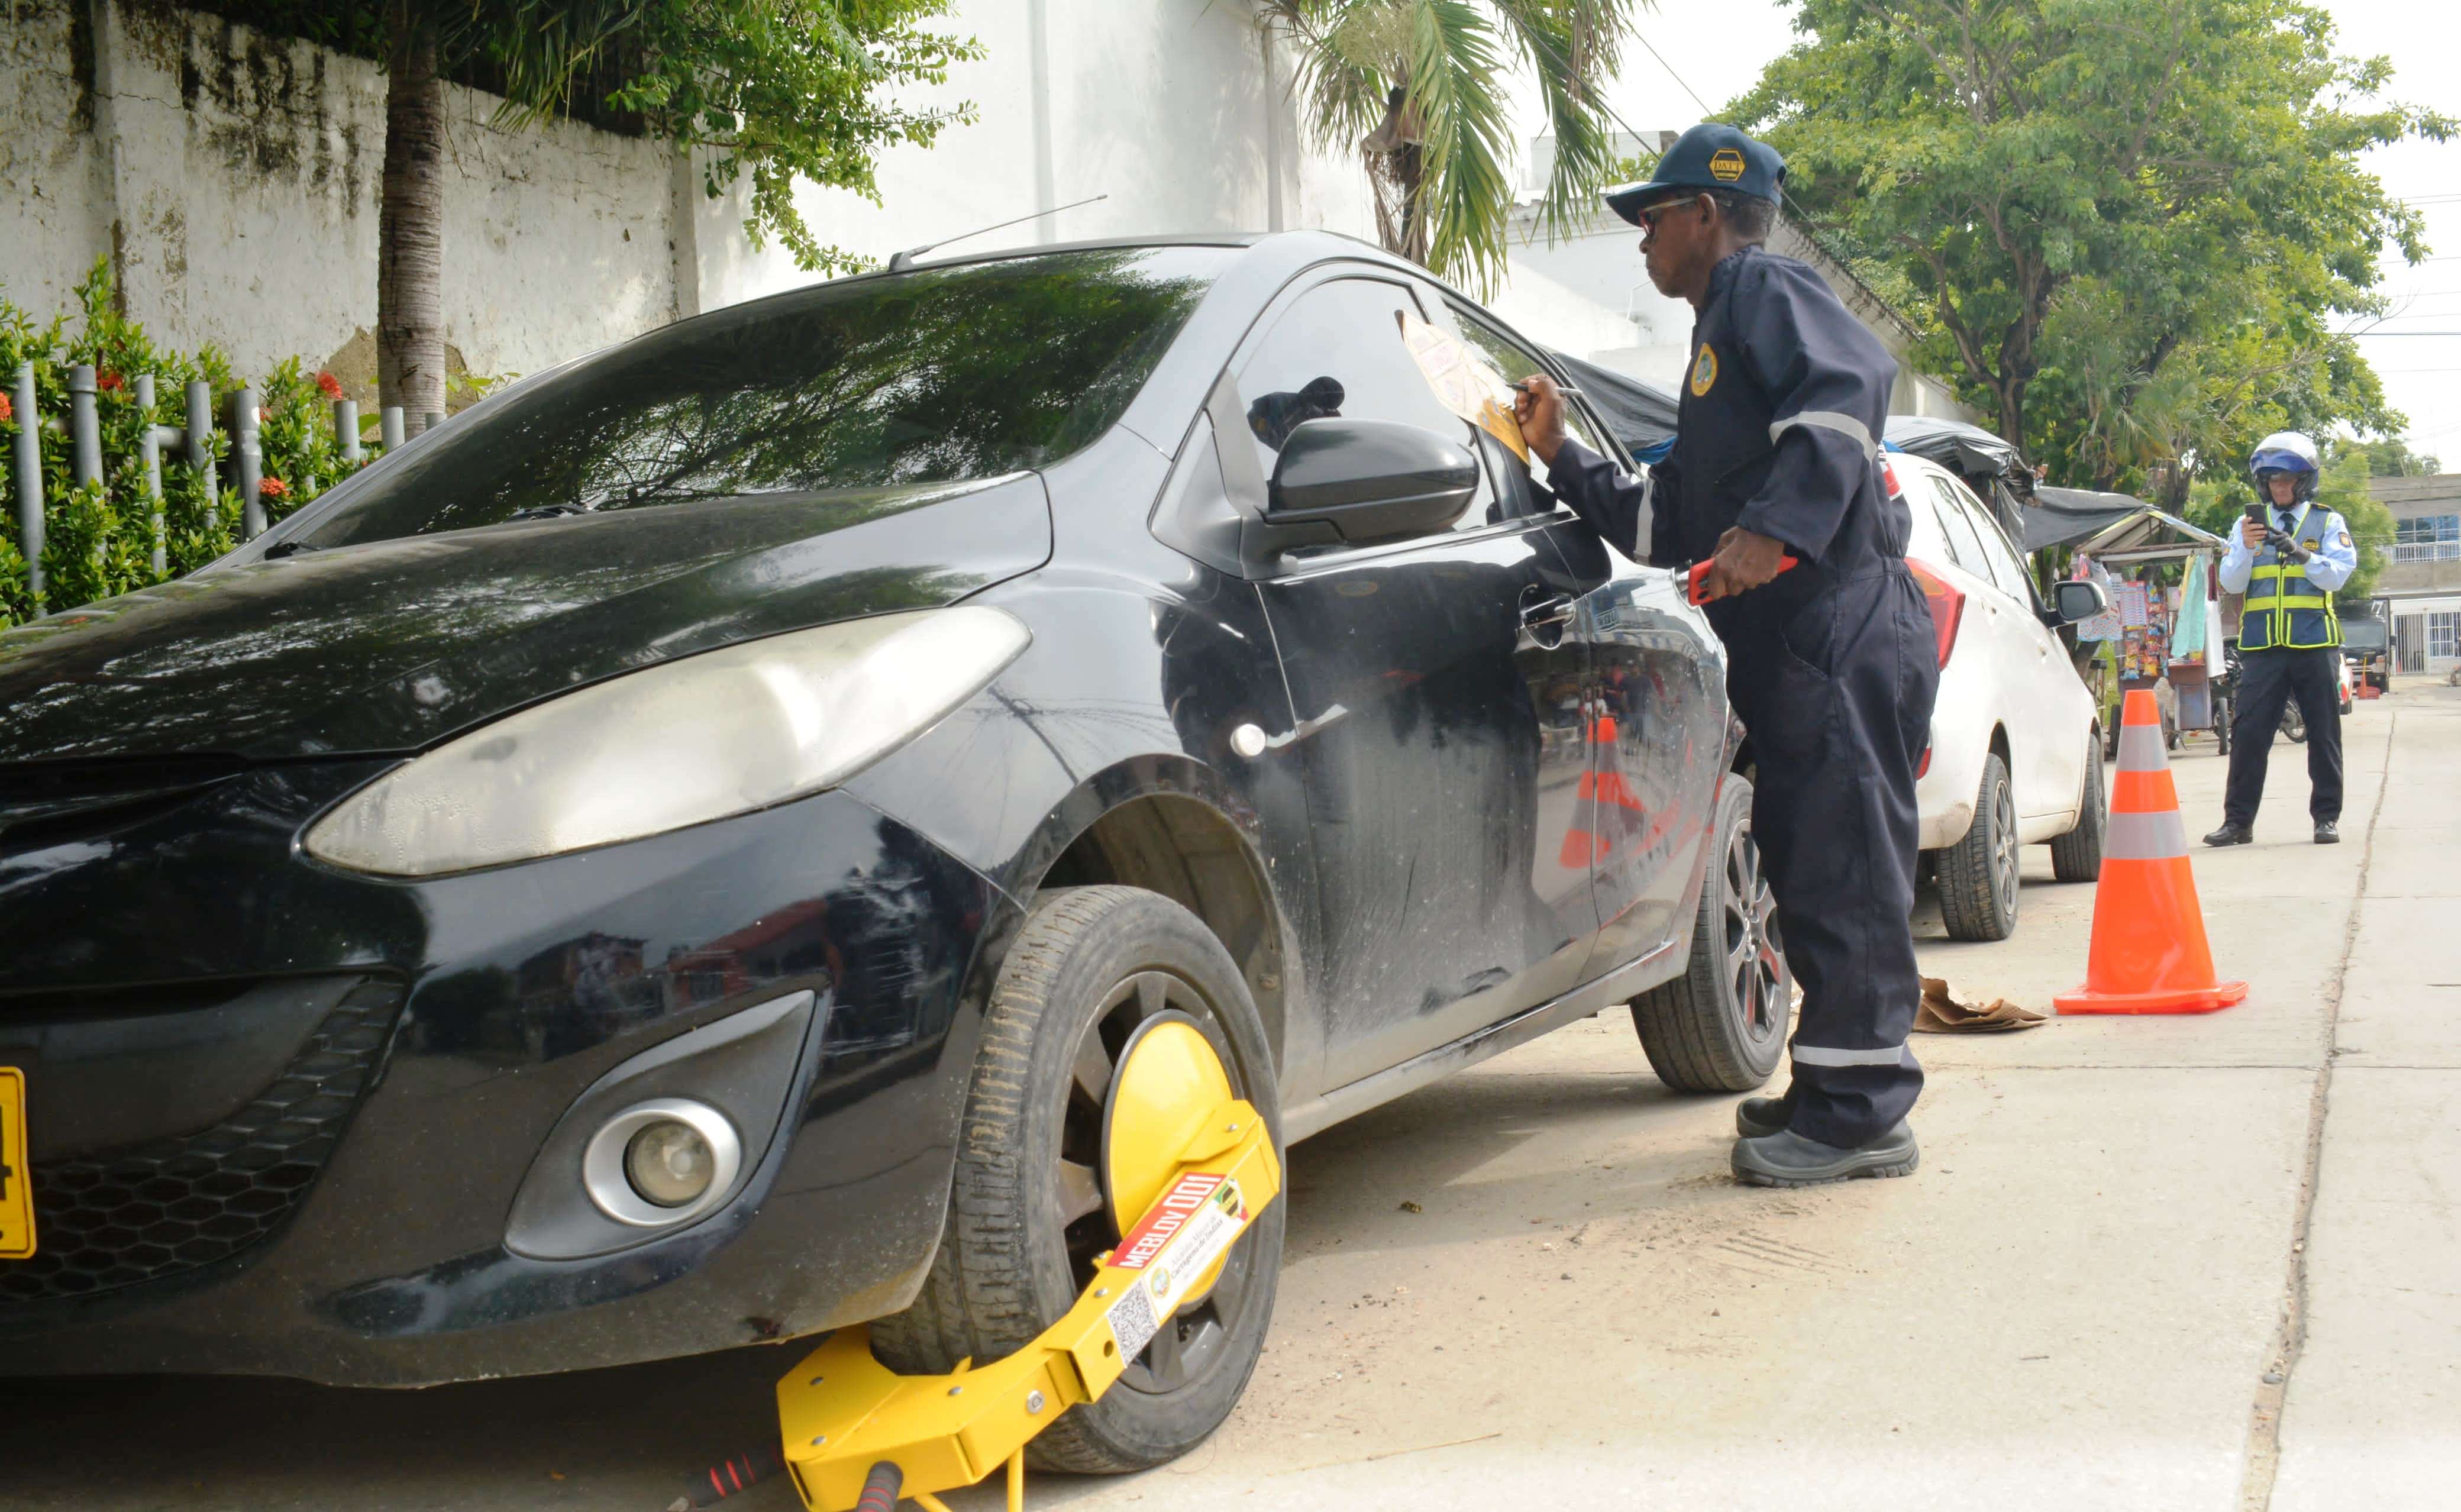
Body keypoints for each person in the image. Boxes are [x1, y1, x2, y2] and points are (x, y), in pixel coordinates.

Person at [1513, 123, 1939, 1188]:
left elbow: (1852, 384)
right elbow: (1667, 518)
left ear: (1707, 213)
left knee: (1846, 872)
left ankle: (1862, 1118)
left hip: (1836, 626)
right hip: (1801, 648)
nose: (1642, 242)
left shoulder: (1758, 289)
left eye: (1652, 218)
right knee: (1809, 866)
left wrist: (1778, 527)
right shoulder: (1717, 363)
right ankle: (1835, 1083)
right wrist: (1560, 454)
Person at [2204, 432, 2356, 846]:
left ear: (2304, 483)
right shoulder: (2246, 525)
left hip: (2314, 644)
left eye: (2287, 481)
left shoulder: (2327, 521)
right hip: (2262, 648)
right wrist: (2248, 550)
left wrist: (2303, 554)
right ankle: (2238, 823)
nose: (2280, 488)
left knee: (2323, 734)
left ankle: (2326, 818)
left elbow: (2339, 574)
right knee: (2249, 736)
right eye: (2273, 481)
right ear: (2263, 485)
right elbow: (2232, 582)